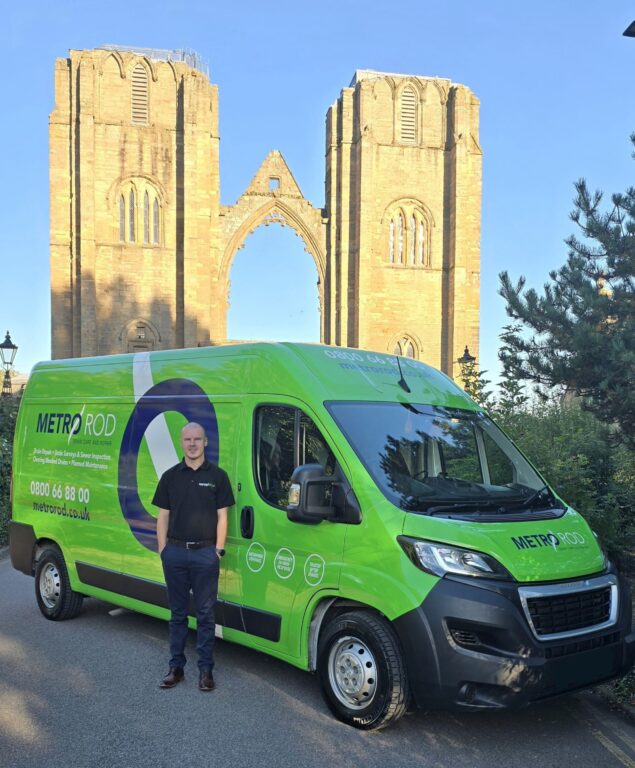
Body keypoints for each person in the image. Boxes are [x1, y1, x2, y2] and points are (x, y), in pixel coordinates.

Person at [152, 421, 235, 692]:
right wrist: (164, 550)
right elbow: (162, 516)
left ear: (205, 443)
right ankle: (176, 668)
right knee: (177, 615)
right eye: (187, 439)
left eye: (197, 439)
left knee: (205, 615)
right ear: (181, 442)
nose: (192, 444)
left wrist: (218, 550)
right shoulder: (170, 477)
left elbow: (223, 516)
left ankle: (205, 671)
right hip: (175, 554)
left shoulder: (218, 477)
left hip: (205, 554)